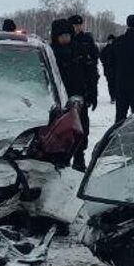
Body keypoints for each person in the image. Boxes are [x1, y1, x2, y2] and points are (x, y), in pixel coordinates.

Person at [50, 18, 89, 168]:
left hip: (78, 97)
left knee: (80, 129)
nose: (65, 38)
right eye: (62, 36)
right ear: (56, 36)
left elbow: (90, 73)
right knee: (58, 131)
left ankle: (79, 159)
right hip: (56, 99)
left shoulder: (79, 50)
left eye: (68, 35)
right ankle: (58, 160)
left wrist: (91, 93)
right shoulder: (50, 53)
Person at [68, 14, 99, 111]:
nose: (77, 28)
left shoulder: (87, 39)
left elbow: (94, 60)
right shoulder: (66, 40)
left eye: (79, 25)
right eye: (75, 25)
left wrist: (93, 94)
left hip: (84, 82)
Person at [101, 34, 118, 103]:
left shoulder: (117, 48)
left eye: (112, 40)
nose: (110, 41)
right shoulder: (105, 49)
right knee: (110, 84)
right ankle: (112, 97)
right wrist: (105, 64)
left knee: (116, 84)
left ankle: (116, 96)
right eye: (109, 40)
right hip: (108, 70)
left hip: (116, 70)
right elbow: (102, 57)